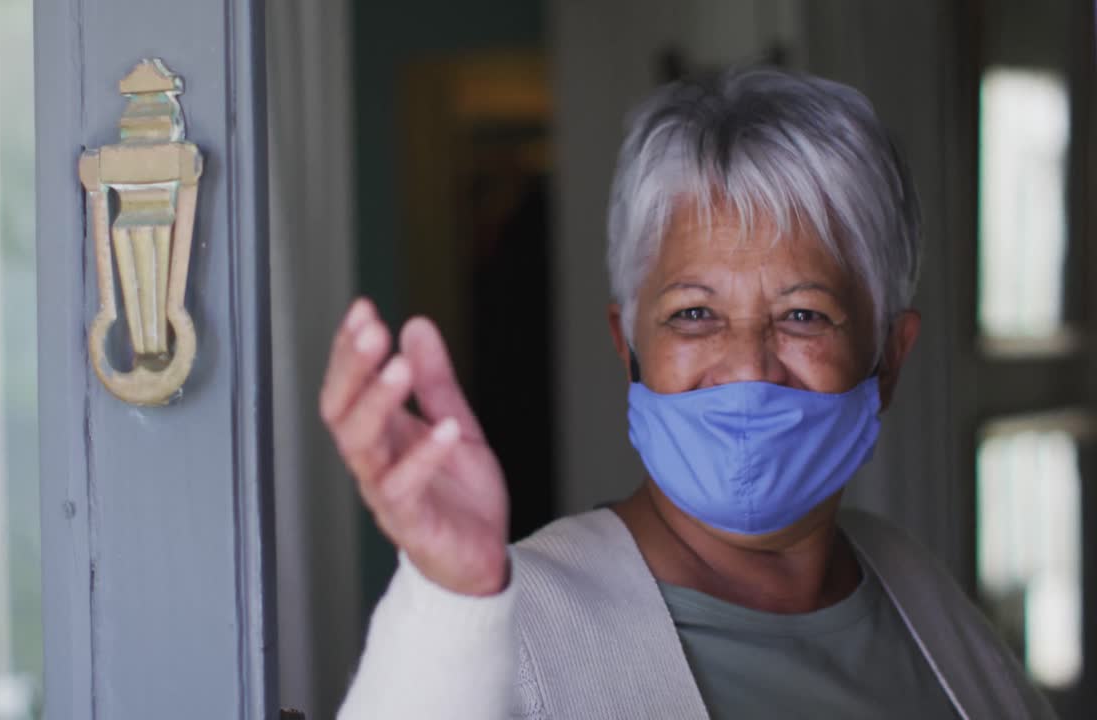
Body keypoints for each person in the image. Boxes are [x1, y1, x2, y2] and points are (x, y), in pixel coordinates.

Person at [322, 67, 1055, 719]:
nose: (746, 366)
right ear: (627, 345)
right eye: (694, 314)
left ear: (888, 358)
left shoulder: (913, 586)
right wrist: (450, 597)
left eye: (803, 315)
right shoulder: (513, 621)